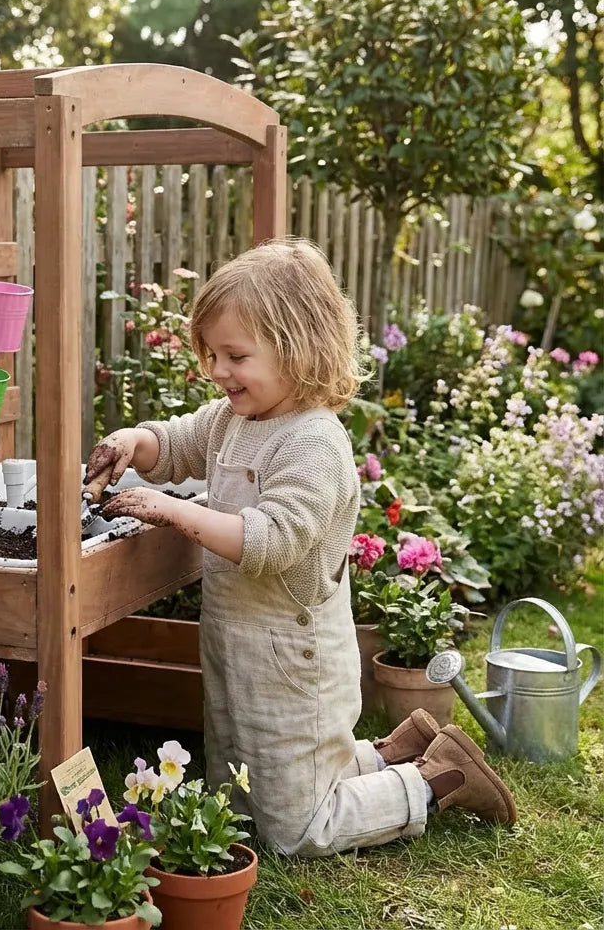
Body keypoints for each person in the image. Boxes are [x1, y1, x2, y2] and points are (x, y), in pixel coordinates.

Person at [83, 239, 516, 855]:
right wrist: (134, 441)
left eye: (236, 355)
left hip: (295, 653)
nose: (218, 370)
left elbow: (275, 540)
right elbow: (176, 443)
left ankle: (433, 780)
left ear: (297, 349)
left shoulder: (315, 444)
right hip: (235, 640)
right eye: (211, 354)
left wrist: (174, 509)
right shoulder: (235, 420)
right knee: (237, 792)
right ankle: (397, 748)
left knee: (298, 827)